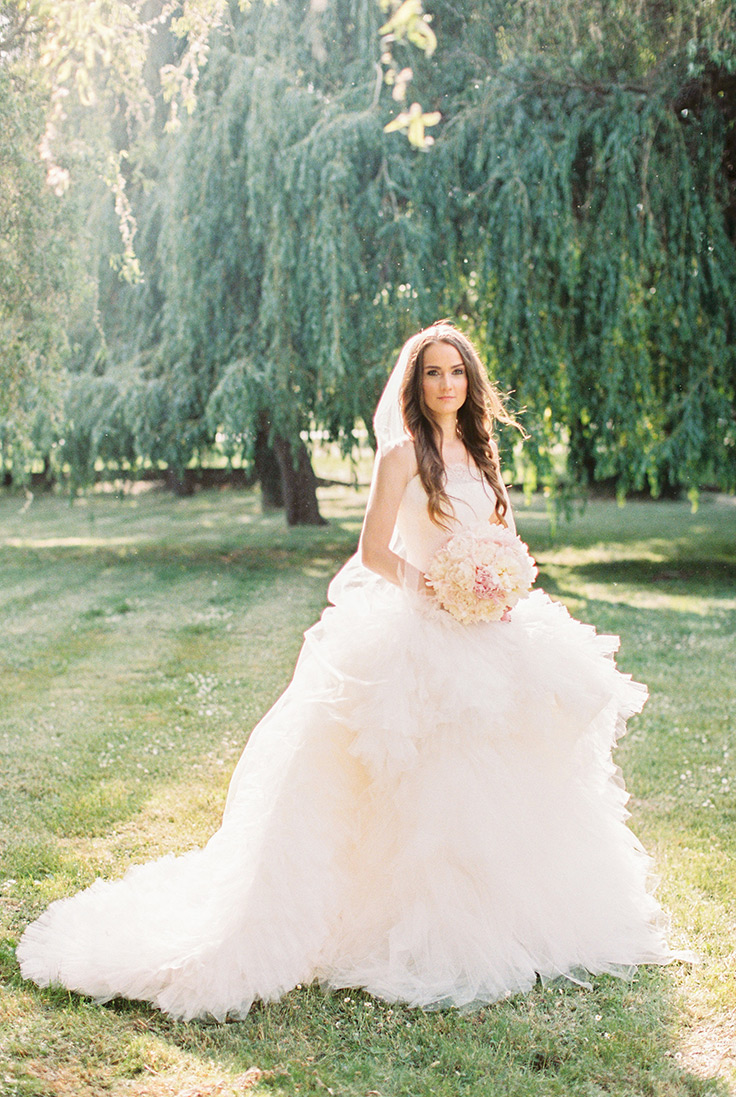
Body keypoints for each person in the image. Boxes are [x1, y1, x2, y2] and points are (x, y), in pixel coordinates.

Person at [17, 321, 677, 1021]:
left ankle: (519, 914)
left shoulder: (483, 451)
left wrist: (499, 581)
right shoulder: (400, 455)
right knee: (424, 781)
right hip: (425, 626)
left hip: (491, 626)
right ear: (415, 383)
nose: (446, 383)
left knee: (513, 767)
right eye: (433, 373)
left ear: (470, 382)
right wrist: (436, 585)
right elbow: (372, 552)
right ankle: (414, 924)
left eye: (456, 371)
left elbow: (503, 534)